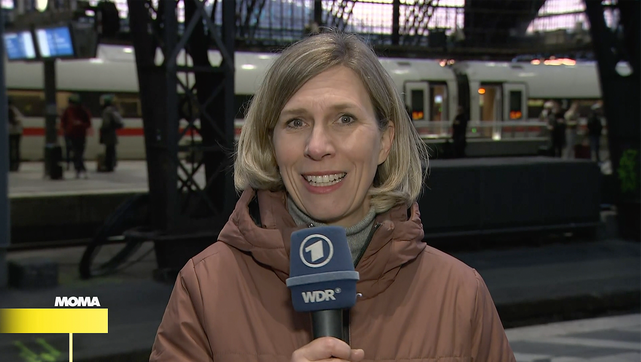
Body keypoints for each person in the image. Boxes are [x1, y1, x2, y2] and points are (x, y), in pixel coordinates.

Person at [150, 32, 515, 361]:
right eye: (296, 122)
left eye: (344, 119)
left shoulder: (461, 295)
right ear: (270, 142)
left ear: (385, 140)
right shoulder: (204, 288)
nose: (318, 146)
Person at [61, 94, 91, 178]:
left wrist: (80, 124)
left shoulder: (83, 111)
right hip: (70, 134)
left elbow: (88, 123)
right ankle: (80, 169)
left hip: (80, 135)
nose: (72, 105)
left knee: (79, 153)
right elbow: (63, 121)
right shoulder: (67, 111)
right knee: (76, 153)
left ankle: (79, 169)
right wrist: (66, 129)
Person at [99, 94, 123, 172]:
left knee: (109, 149)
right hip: (112, 132)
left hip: (108, 133)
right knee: (112, 149)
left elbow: (106, 123)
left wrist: (102, 130)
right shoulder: (113, 109)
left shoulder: (107, 110)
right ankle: (112, 164)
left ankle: (109, 165)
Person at [7, 97, 23, 171]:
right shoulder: (15, 110)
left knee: (10, 149)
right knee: (16, 149)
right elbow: (20, 120)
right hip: (17, 132)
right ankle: (16, 165)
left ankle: (11, 165)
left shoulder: (7, 109)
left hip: (9, 132)